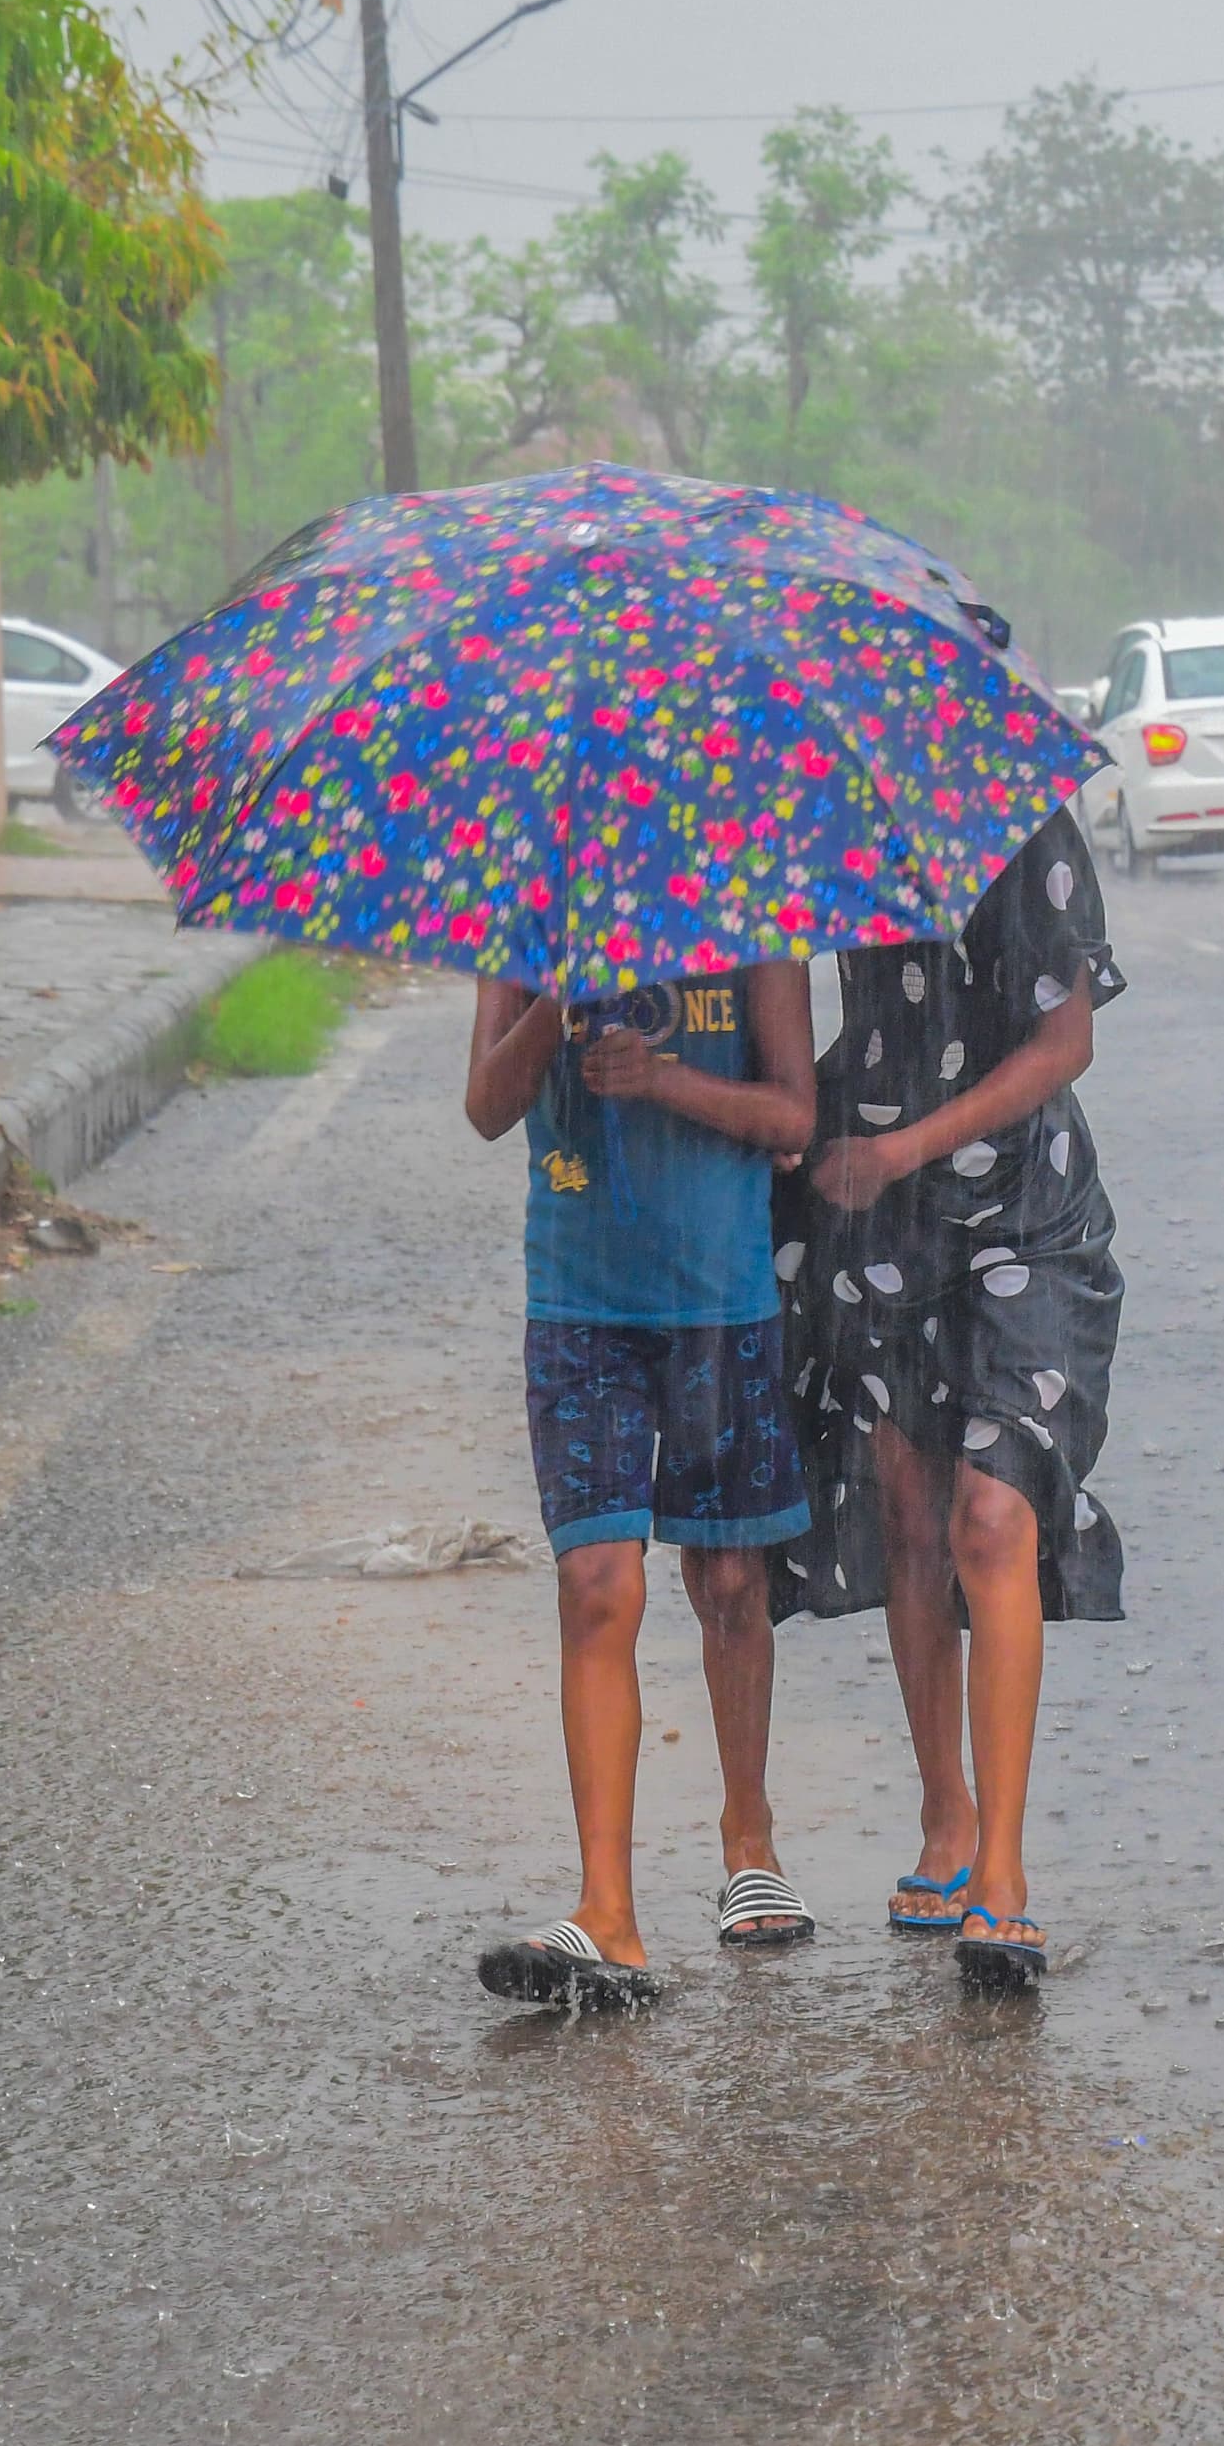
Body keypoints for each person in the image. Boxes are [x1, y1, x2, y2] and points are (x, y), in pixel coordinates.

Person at [770, 807, 1125, 1988]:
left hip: (1028, 1216)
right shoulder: (824, 826)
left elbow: (1063, 1042)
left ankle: (1006, 1879)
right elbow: (859, 1025)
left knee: (994, 1517)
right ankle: (947, 1819)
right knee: (911, 1516)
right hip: (876, 1220)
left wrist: (907, 1146)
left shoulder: (1025, 827)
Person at [464, 959, 819, 2010]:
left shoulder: (754, 913)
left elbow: (793, 1109)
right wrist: (552, 1006)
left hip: (722, 1295)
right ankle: (606, 1911)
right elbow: (488, 1106)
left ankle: (747, 1834)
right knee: (598, 1586)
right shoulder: (524, 917)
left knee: (729, 1585)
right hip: (580, 1299)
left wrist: (661, 1080)